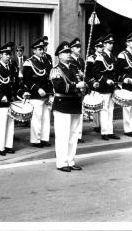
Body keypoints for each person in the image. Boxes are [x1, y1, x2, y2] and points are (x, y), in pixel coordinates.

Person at [50, 41, 85, 172]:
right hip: (62, 105)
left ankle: (70, 160)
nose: (69, 54)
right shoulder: (56, 69)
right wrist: (77, 86)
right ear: (59, 56)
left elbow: (80, 84)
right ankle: (61, 162)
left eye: (69, 52)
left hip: (75, 104)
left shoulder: (75, 68)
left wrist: (83, 86)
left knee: (73, 135)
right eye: (65, 52)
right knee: (63, 135)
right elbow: (59, 86)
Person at [23, 38, 53, 148]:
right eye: (39, 49)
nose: (42, 51)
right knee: (37, 118)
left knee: (46, 118)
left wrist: (50, 93)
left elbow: (49, 78)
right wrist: (37, 89)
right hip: (36, 94)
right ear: (34, 51)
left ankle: (44, 138)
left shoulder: (46, 61)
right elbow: (27, 80)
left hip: (46, 94)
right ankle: (36, 140)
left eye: (42, 49)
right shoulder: (29, 62)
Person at [93, 34, 119, 141]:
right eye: (109, 43)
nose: (111, 45)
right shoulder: (100, 56)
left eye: (112, 43)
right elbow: (95, 72)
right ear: (104, 44)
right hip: (104, 87)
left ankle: (110, 131)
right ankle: (104, 132)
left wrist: (116, 83)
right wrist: (105, 80)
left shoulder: (112, 56)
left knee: (111, 109)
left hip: (112, 87)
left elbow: (115, 71)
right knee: (104, 110)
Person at [68, 37, 86, 142]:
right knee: (73, 113)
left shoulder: (81, 60)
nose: (79, 49)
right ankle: (72, 134)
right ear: (72, 48)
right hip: (74, 88)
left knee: (80, 112)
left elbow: (84, 73)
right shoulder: (69, 60)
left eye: (79, 47)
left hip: (81, 89)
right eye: (76, 47)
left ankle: (78, 135)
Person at [85, 38, 104, 133]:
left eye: (102, 46)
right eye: (99, 47)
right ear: (95, 47)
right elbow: (89, 73)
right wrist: (92, 81)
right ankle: (96, 125)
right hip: (95, 82)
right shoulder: (91, 57)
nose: (101, 48)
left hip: (103, 83)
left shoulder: (104, 56)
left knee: (103, 104)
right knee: (96, 103)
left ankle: (102, 124)